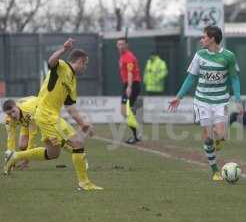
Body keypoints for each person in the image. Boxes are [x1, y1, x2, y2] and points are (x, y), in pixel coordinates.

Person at [4, 38, 102, 191]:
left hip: (48, 116)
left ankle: (15, 157)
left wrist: (82, 123)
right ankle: (84, 183)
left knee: (53, 153)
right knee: (77, 142)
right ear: (81, 61)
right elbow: (51, 61)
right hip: (46, 114)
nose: (85, 67)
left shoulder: (73, 81)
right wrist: (64, 49)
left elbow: (69, 106)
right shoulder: (62, 66)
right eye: (86, 63)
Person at [168, 25, 242, 181]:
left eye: (204, 37)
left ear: (212, 39)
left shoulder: (229, 56)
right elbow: (191, 78)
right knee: (208, 138)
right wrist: (179, 97)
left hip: (221, 100)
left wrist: (238, 99)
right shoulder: (199, 55)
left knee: (221, 135)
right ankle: (215, 170)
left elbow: (234, 78)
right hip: (202, 100)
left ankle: (219, 140)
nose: (202, 39)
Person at [116, 38, 142, 144]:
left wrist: (129, 87)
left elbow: (130, 73)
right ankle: (136, 133)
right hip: (127, 84)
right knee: (125, 110)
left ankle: (136, 136)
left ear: (127, 45)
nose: (120, 46)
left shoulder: (129, 57)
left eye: (122, 44)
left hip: (132, 84)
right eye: (118, 44)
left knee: (125, 110)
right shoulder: (122, 56)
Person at [2, 96, 38, 169]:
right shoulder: (8, 120)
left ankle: (27, 160)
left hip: (39, 118)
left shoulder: (28, 112)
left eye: (13, 111)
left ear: (17, 107)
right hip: (26, 122)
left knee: (50, 141)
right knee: (22, 145)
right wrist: (10, 159)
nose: (13, 115)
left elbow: (32, 136)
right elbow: (10, 139)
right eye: (9, 114)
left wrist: (26, 160)